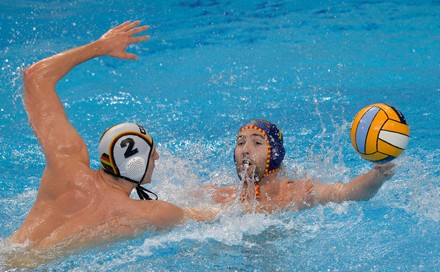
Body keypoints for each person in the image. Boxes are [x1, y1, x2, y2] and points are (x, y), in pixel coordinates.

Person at [7, 21, 216, 267]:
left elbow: (35, 77)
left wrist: (101, 46)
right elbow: (218, 219)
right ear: (136, 164)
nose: (157, 157)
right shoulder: (145, 213)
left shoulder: (67, 162)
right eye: (152, 152)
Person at [204, 119, 396, 213]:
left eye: (257, 143)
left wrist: (377, 175)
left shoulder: (299, 192)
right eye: (240, 143)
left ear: (275, 155)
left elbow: (345, 192)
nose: (245, 149)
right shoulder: (221, 196)